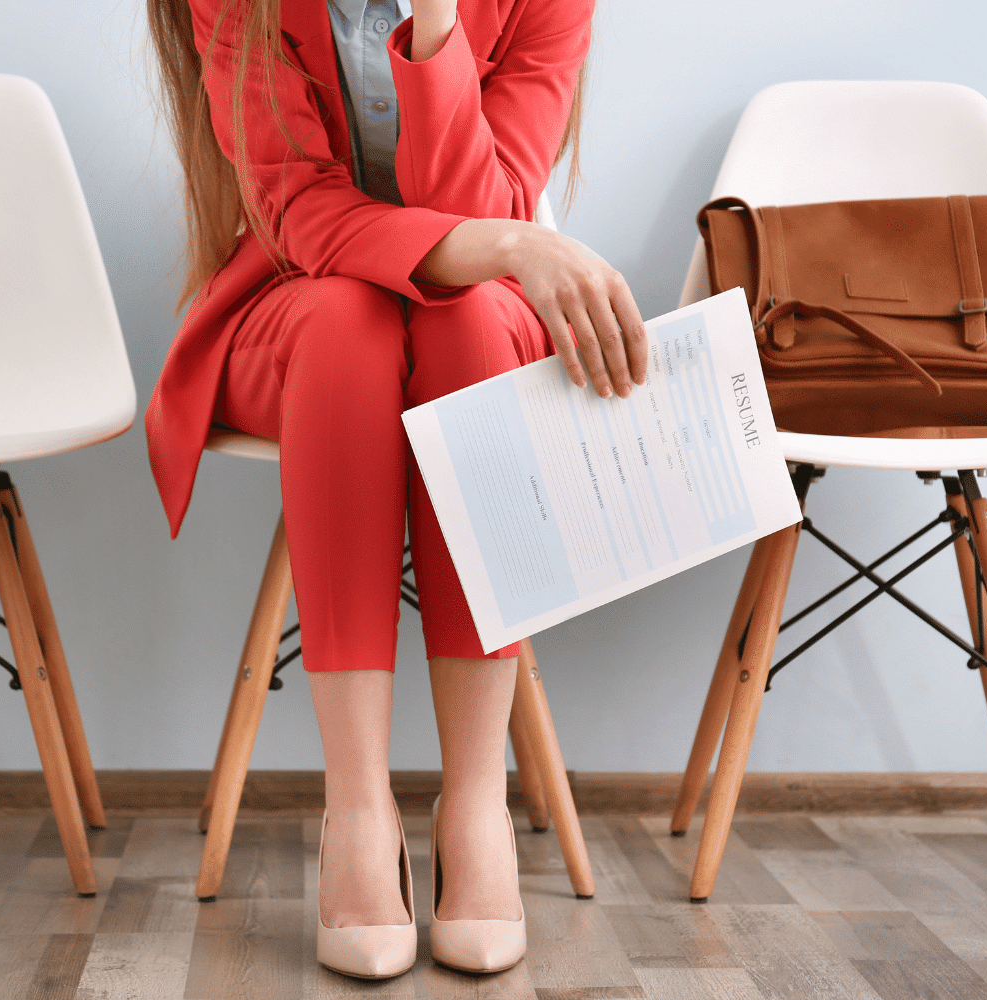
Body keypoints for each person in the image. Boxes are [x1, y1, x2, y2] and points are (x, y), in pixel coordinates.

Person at [146, 0, 647, 978]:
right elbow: (300, 213)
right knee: (348, 323)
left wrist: (433, 24)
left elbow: (491, 200)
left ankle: (474, 802)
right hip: (292, 305)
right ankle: (358, 806)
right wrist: (504, 248)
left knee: (466, 330)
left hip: (480, 326)